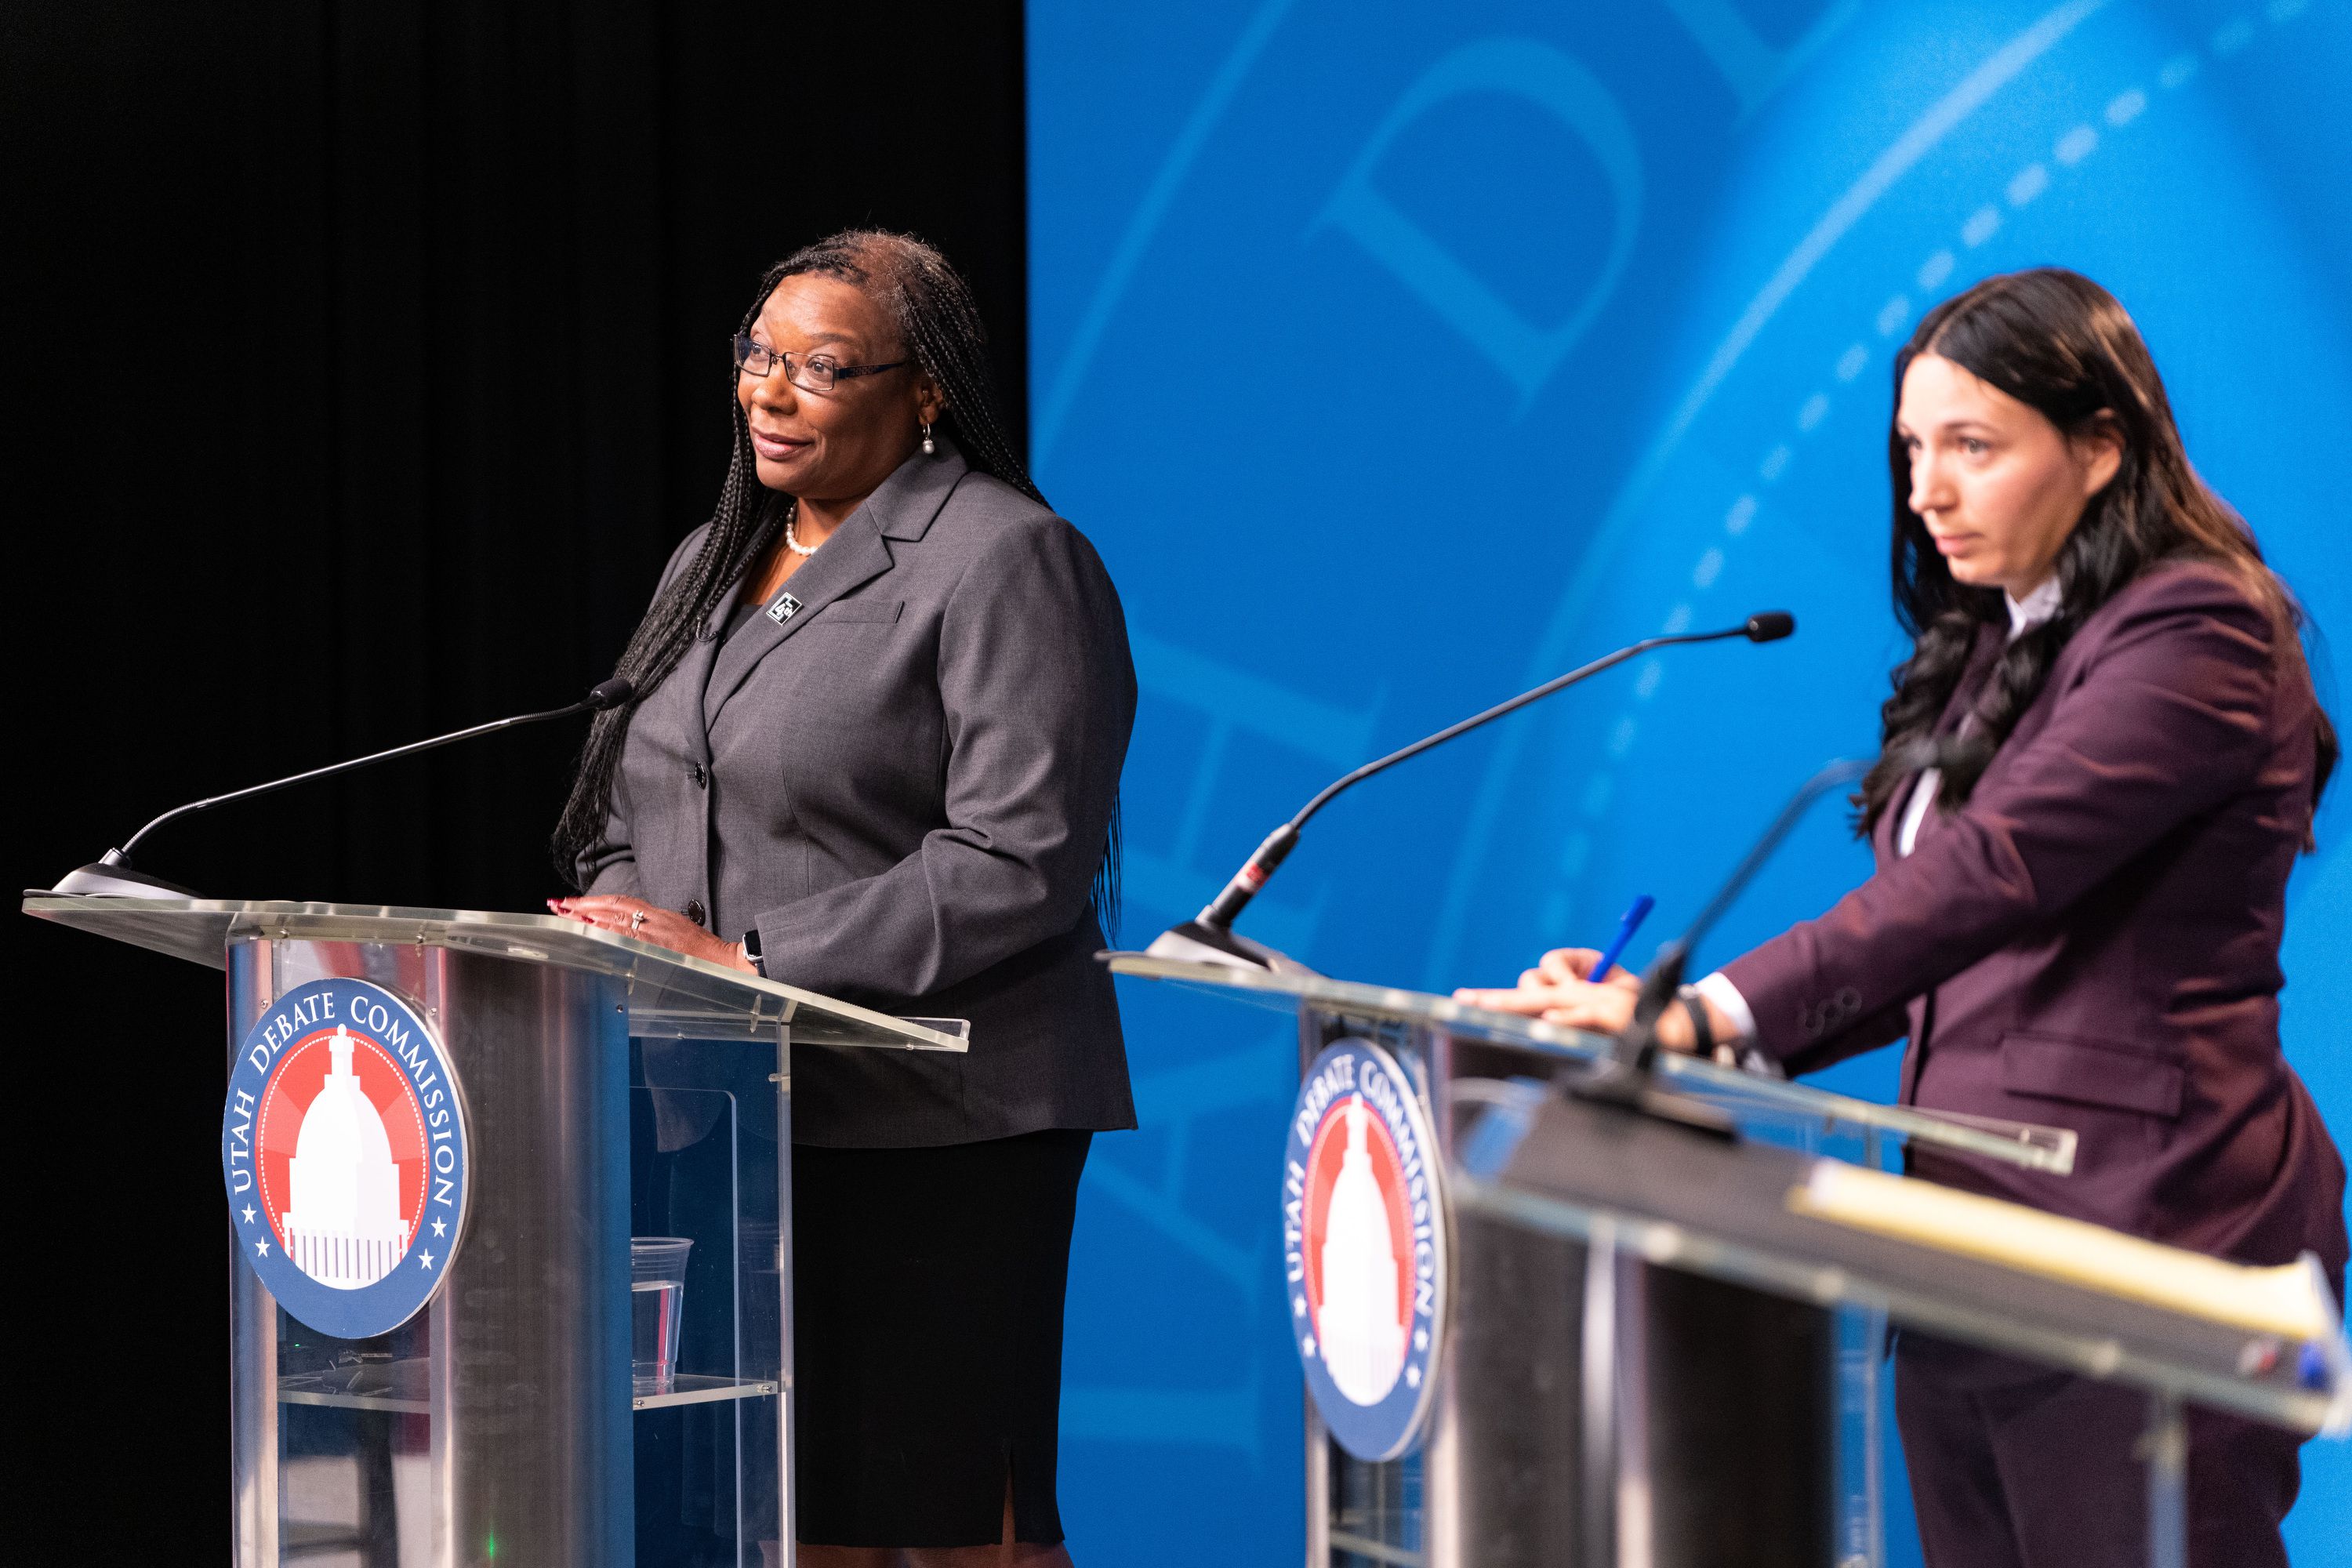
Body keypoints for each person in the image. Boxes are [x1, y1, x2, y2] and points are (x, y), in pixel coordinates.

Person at [1458, 268, 2347, 1566]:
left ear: (2101, 448)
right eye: (1913, 449)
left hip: (2141, 1236)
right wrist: (1666, 1027)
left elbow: (1993, 873)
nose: (1926, 491)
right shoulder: (2001, 638)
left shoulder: (2199, 626)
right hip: (1967, 1247)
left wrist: (1714, 1009)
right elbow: (1921, 935)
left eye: (1972, 448)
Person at [550, 230, 1137, 1567]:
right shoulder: (712, 559)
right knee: (782, 1511)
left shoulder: (1005, 559)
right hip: (736, 1119)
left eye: (817, 368)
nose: (767, 391)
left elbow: (1021, 857)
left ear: (922, 388)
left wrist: (751, 959)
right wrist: (638, 937)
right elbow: (624, 811)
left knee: (945, 1523)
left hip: (941, 1122)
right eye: (756, 356)